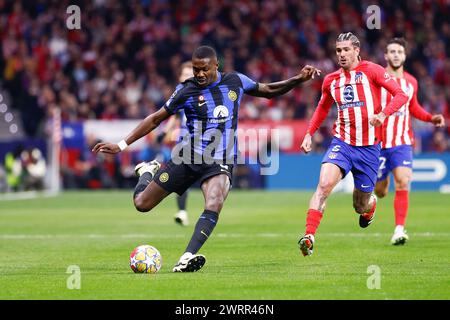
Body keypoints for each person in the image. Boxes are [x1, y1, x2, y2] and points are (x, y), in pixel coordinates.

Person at [93, 45, 320, 272]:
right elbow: (155, 119)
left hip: (220, 159)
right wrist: (122, 145)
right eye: (195, 69)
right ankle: (146, 172)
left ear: (215, 66)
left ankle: (186, 257)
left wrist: (298, 79)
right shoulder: (186, 90)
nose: (199, 74)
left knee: (214, 201)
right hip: (188, 156)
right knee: (142, 204)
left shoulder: (235, 81)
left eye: (204, 69)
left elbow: (268, 90)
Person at [298, 32, 408, 257]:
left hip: (369, 149)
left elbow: (401, 95)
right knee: (324, 185)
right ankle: (309, 236)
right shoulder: (331, 80)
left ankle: (370, 206)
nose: (341, 54)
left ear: (357, 50)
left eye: (346, 49)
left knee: (360, 205)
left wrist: (383, 115)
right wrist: (309, 133)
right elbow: (322, 108)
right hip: (343, 143)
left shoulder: (373, 70)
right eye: (338, 50)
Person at [374, 38, 445, 245]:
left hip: (402, 142)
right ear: (386, 56)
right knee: (380, 191)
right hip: (378, 143)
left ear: (404, 56)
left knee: (403, 181)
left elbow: (413, 108)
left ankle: (399, 230)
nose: (396, 55)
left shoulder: (411, 82)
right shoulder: (378, 79)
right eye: (392, 51)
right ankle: (379, 188)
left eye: (399, 52)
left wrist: (431, 118)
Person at [156, 61, 194, 226]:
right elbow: (175, 116)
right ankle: (182, 212)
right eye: (182, 74)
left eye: (187, 75)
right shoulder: (180, 94)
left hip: (203, 145)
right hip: (183, 144)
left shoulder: (202, 94)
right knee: (181, 180)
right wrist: (164, 132)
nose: (184, 78)